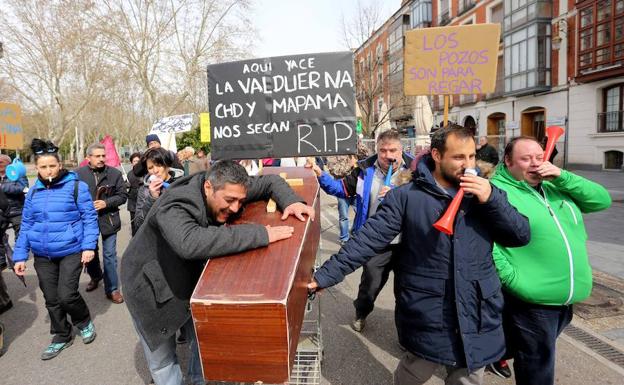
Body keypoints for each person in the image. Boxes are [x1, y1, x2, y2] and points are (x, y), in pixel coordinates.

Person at [308, 125, 530, 385]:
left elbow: (520, 235)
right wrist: (323, 277)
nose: (468, 165)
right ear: (436, 155)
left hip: (477, 309)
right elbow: (366, 241)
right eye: (459, 157)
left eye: (471, 156)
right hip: (430, 310)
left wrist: (492, 199)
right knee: (414, 372)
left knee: (468, 378)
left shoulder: (486, 193)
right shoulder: (405, 197)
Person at [120, 160, 315, 385]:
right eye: (230, 201)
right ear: (208, 188)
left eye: (240, 200)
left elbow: (271, 181)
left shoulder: (230, 186)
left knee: (203, 344)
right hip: (150, 285)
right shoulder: (176, 203)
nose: (235, 208)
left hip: (187, 278)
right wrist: (260, 234)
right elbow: (190, 242)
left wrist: (291, 202)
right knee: (163, 362)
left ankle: (198, 380)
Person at [490, 136, 611, 385]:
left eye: (539, 157)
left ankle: (492, 352)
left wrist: (562, 176)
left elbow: (602, 200)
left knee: (524, 346)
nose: (535, 164)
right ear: (508, 161)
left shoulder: (556, 185)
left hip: (565, 298)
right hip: (531, 299)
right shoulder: (497, 190)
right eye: (526, 159)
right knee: (539, 363)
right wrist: (514, 279)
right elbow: (486, 243)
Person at [307, 130, 414, 332]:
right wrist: (321, 175)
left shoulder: (417, 171)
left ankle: (405, 333)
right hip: (375, 242)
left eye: (393, 150)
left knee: (407, 292)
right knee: (370, 286)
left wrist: (399, 195)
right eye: (383, 150)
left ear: (402, 150)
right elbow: (341, 189)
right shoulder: (365, 171)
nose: (389, 155)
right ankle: (361, 312)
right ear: (376, 149)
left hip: (408, 242)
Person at [13, 139, 99, 360]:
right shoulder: (32, 193)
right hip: (43, 255)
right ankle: (62, 335)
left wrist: (89, 246)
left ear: (60, 165)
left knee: (67, 295)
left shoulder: (77, 187)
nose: (48, 170)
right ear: (37, 169)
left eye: (52, 165)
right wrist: (20, 256)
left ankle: (83, 321)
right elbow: (26, 225)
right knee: (51, 298)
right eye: (43, 166)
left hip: (71, 250)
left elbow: (89, 219)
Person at [76, 143, 128, 303]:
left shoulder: (114, 173)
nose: (101, 159)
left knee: (110, 255)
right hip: (86, 221)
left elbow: (122, 195)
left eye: (103, 156)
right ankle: (96, 276)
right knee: (90, 252)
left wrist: (107, 203)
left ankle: (112, 289)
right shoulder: (77, 174)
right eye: (97, 156)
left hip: (109, 219)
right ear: (88, 158)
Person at [134, 148, 184, 230]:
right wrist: (152, 198)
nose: (155, 171)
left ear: (167, 165)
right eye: (150, 168)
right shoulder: (144, 190)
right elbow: (138, 224)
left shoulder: (182, 184)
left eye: (159, 165)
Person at [0, 154, 28, 270]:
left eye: (2, 161)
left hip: (17, 210)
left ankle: (18, 259)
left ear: (9, 163)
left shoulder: (17, 173)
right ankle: (1, 261)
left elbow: (22, 188)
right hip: (1, 211)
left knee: (20, 235)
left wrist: (2, 187)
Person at [126, 152, 142, 236]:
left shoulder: (144, 172)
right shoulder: (128, 174)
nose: (136, 162)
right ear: (132, 163)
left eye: (138, 161)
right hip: (133, 203)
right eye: (134, 161)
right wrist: (126, 185)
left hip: (143, 202)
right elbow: (125, 190)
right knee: (134, 223)